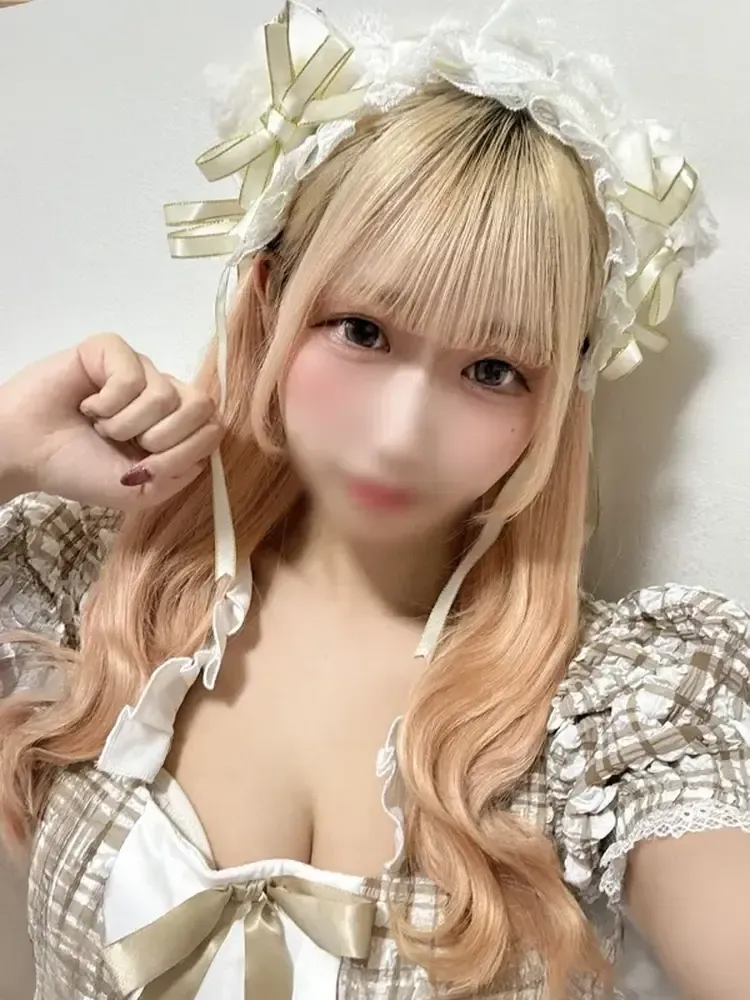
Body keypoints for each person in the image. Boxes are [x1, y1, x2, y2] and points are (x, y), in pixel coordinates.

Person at [1, 2, 749, 998]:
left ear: (560, 401)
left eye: (492, 370)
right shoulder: (92, 571)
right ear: (267, 298)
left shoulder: (612, 706)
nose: (401, 433)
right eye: (362, 331)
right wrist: (8, 452)